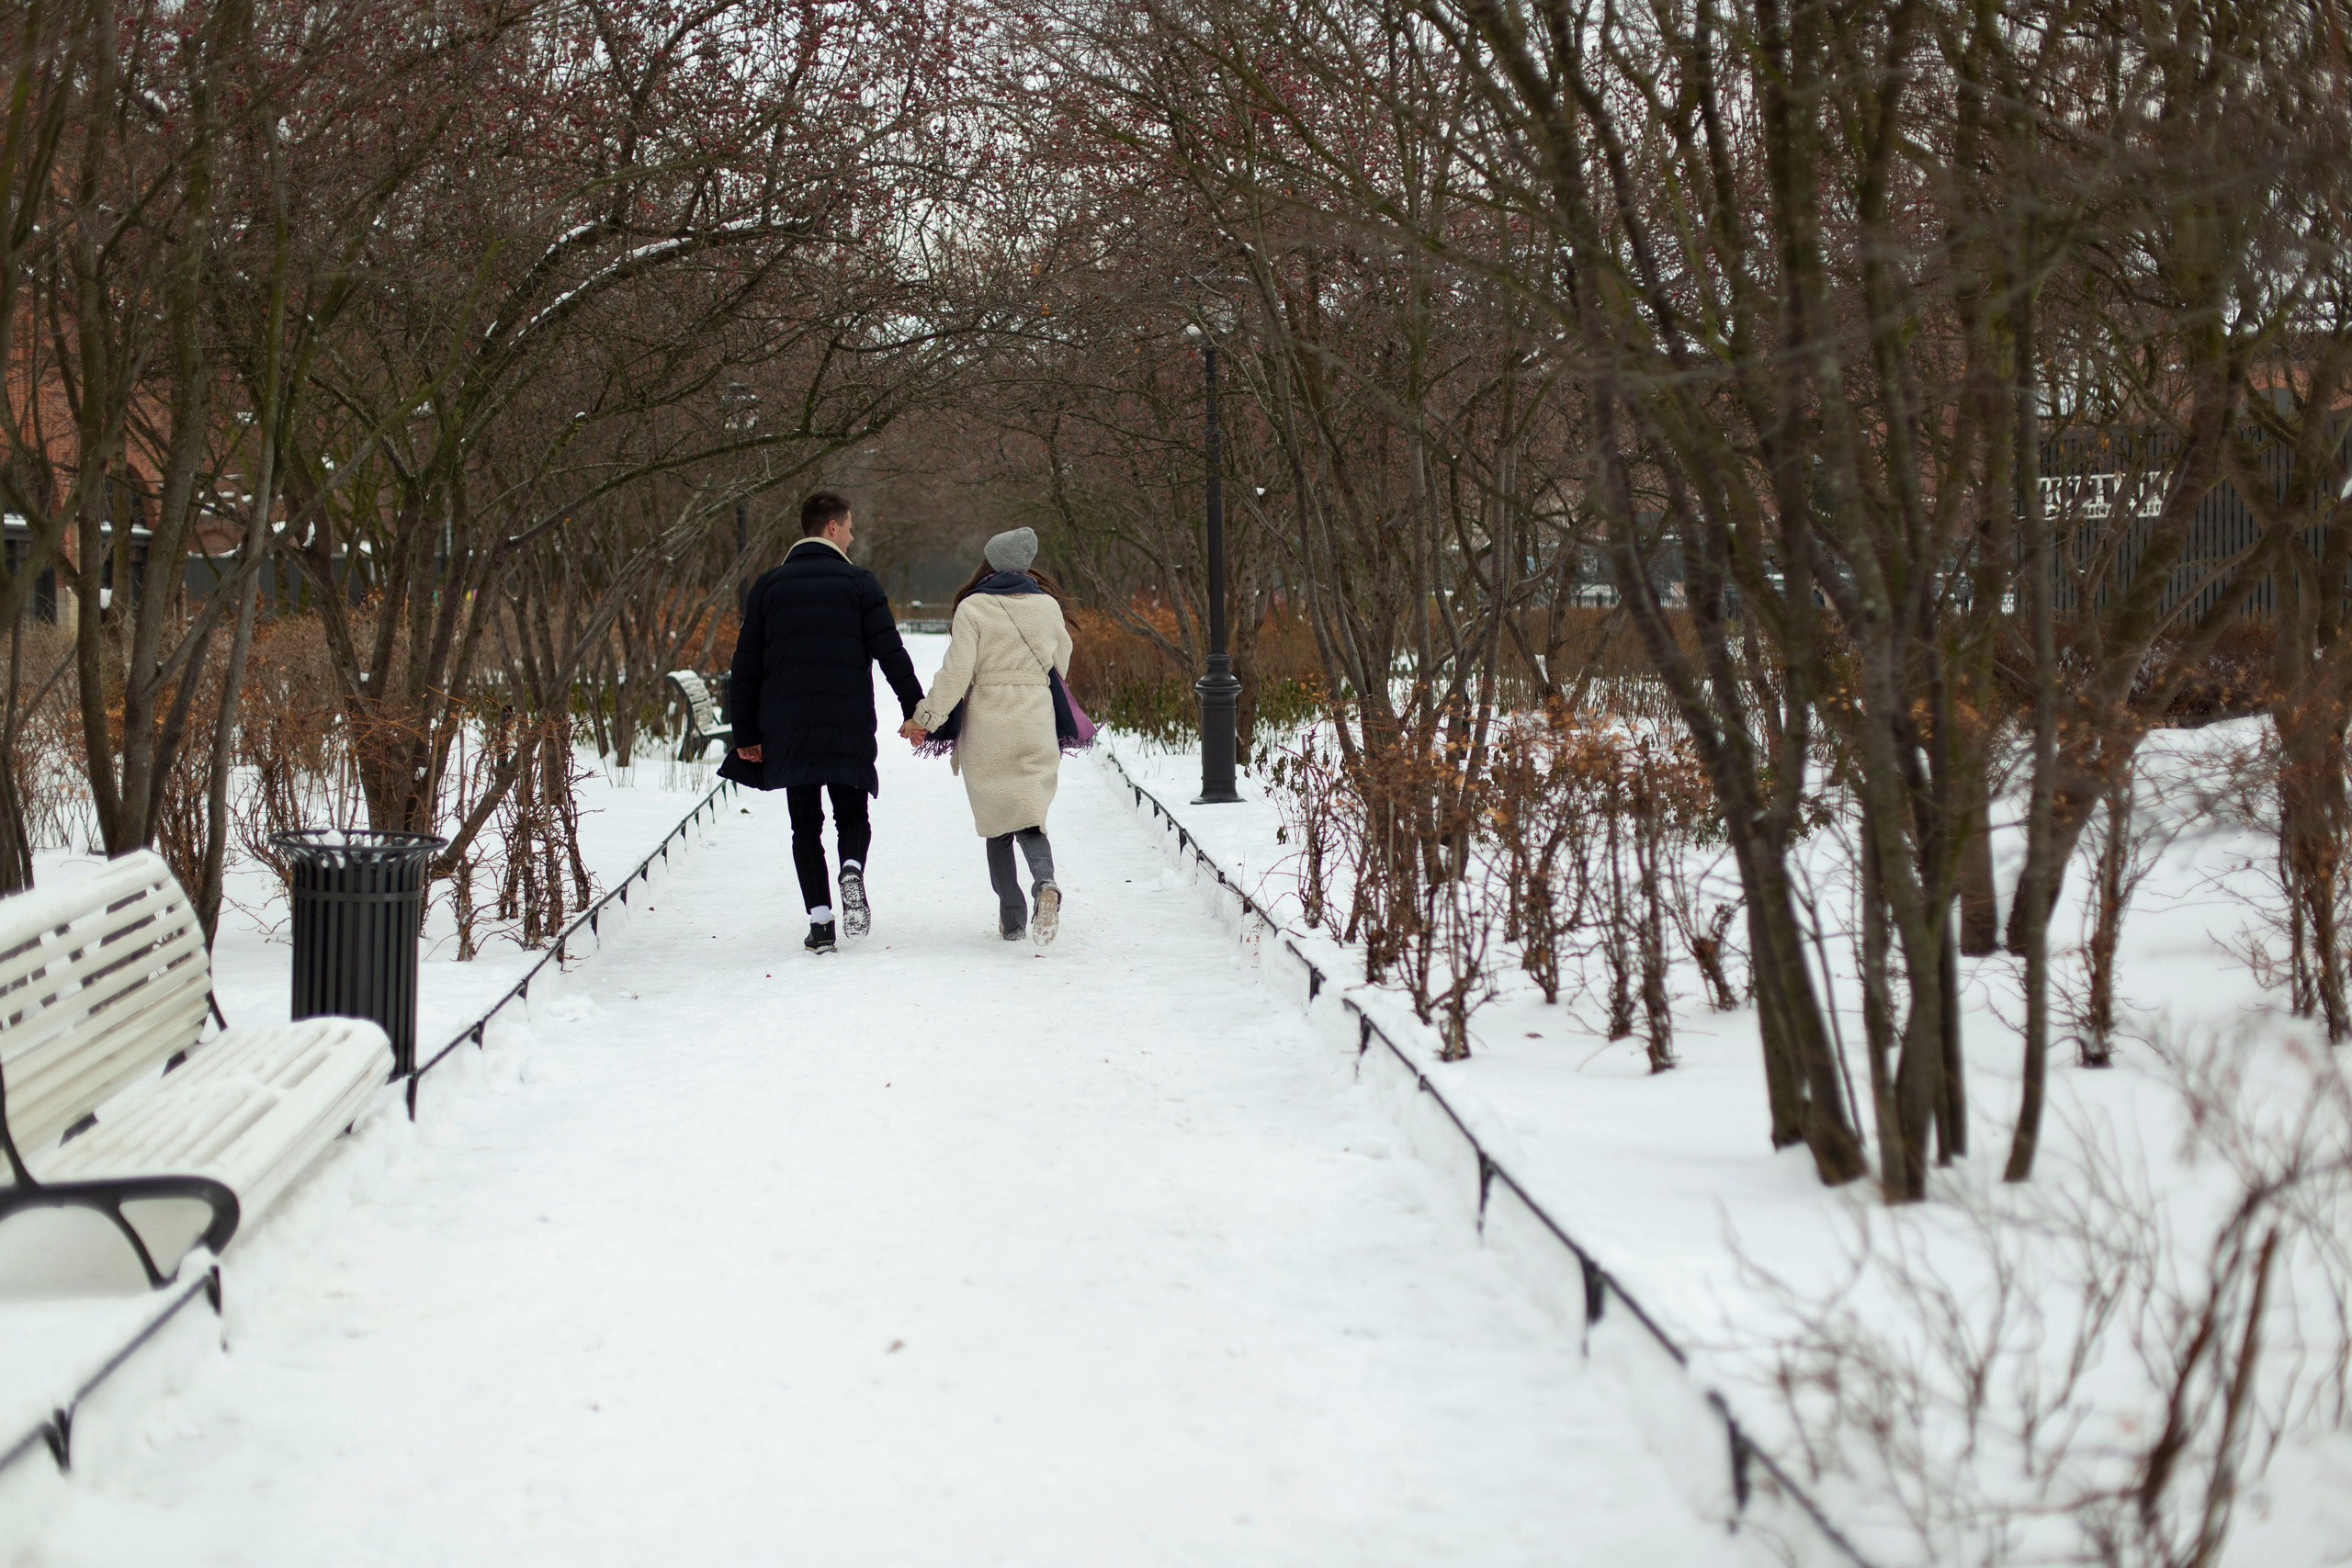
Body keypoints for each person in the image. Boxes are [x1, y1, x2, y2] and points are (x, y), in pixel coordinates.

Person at [722, 491, 923, 955]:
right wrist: (915, 711)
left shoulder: (768, 587)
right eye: (850, 526)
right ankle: (851, 867)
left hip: (787, 728)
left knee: (805, 826)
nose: (853, 535)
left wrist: (746, 736)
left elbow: (746, 666)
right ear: (831, 527)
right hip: (847, 720)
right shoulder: (859, 583)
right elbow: (891, 652)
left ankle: (822, 923)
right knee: (852, 814)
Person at [900, 527, 1074, 944]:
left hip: (988, 724)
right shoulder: (1048, 606)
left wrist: (925, 718)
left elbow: (956, 673)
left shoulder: (973, 607)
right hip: (1035, 717)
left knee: (996, 823)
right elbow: (1061, 661)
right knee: (1030, 812)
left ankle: (1012, 918)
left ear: (991, 561)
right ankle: (1045, 882)